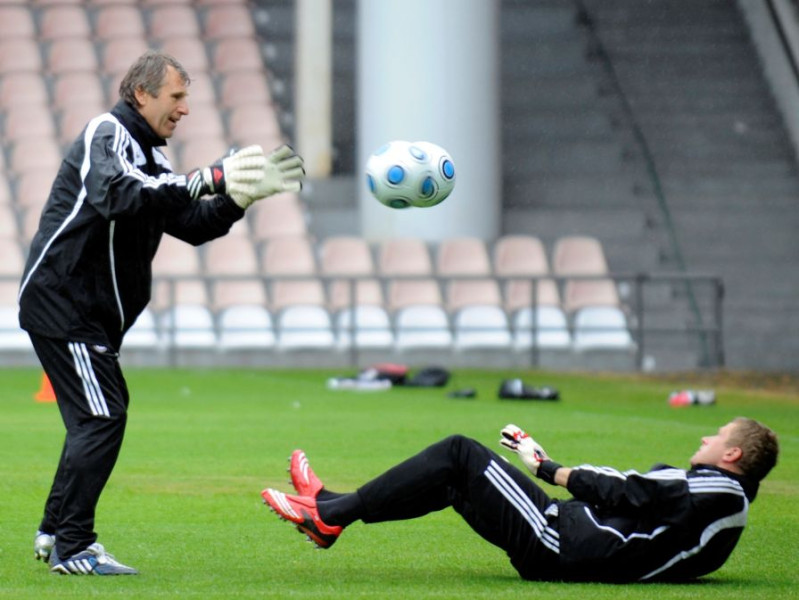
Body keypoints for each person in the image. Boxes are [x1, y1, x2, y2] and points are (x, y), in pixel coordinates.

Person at [20, 50, 304, 575]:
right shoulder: (107, 132)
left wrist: (239, 197)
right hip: (65, 302)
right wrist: (208, 176)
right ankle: (74, 546)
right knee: (102, 415)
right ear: (142, 94)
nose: (185, 109)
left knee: (96, 415)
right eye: (177, 97)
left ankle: (55, 532)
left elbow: (191, 223)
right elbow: (116, 194)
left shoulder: (152, 154)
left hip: (89, 311)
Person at [262, 417, 778, 582]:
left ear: (732, 453)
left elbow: (630, 489)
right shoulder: (723, 501)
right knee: (451, 481)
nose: (704, 441)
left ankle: (330, 514)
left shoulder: (722, 488)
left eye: (716, 436)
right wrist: (546, 461)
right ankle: (332, 508)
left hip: (560, 538)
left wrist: (549, 470)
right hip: (568, 539)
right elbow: (640, 498)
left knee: (460, 453)